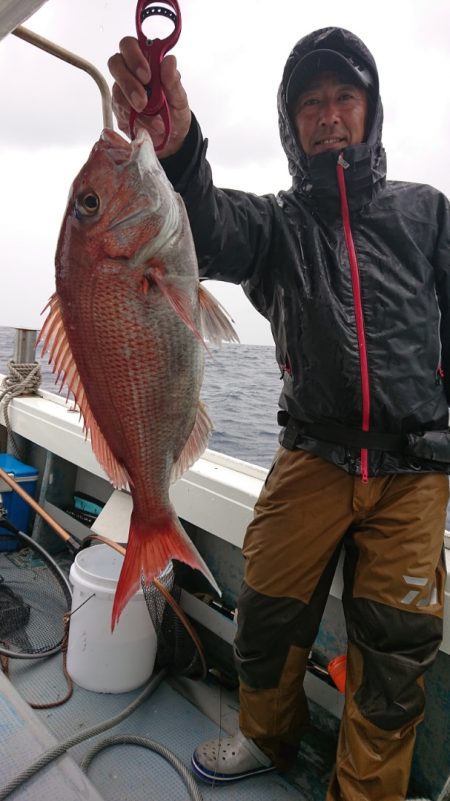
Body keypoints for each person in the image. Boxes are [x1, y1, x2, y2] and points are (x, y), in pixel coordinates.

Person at [108, 26, 450, 801]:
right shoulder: (278, 224)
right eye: (310, 105)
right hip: (311, 455)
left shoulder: (428, 213)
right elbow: (201, 222)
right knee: (264, 608)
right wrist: (179, 141)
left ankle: (364, 792)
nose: (328, 115)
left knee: (395, 653)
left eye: (344, 98)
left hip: (416, 470)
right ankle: (267, 735)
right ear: (291, 125)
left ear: (371, 111)